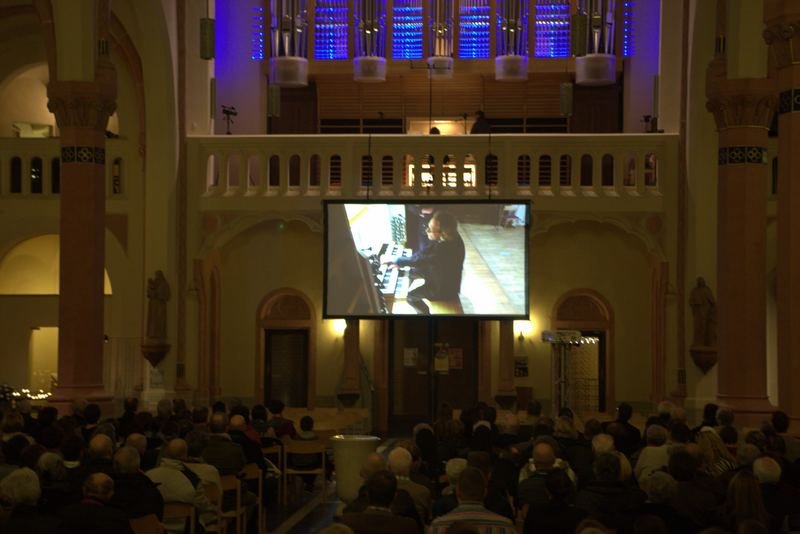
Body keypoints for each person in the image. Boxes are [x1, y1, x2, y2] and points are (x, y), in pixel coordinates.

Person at [392, 211, 465, 314]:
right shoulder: (449, 238)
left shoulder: (446, 249)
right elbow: (423, 253)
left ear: (442, 233)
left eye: (430, 229)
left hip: (444, 289)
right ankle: (403, 289)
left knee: (411, 297)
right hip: (439, 275)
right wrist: (401, 260)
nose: (426, 230)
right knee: (411, 272)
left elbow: (423, 261)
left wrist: (399, 261)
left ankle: (425, 314)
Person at [690, 277, 716, 346]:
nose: (700, 282)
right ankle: (698, 342)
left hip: (706, 312)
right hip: (697, 313)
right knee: (698, 328)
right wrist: (695, 303)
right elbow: (691, 301)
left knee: (705, 327)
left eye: (701, 281)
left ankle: (704, 342)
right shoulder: (694, 291)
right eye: (699, 281)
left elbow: (712, 301)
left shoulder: (707, 290)